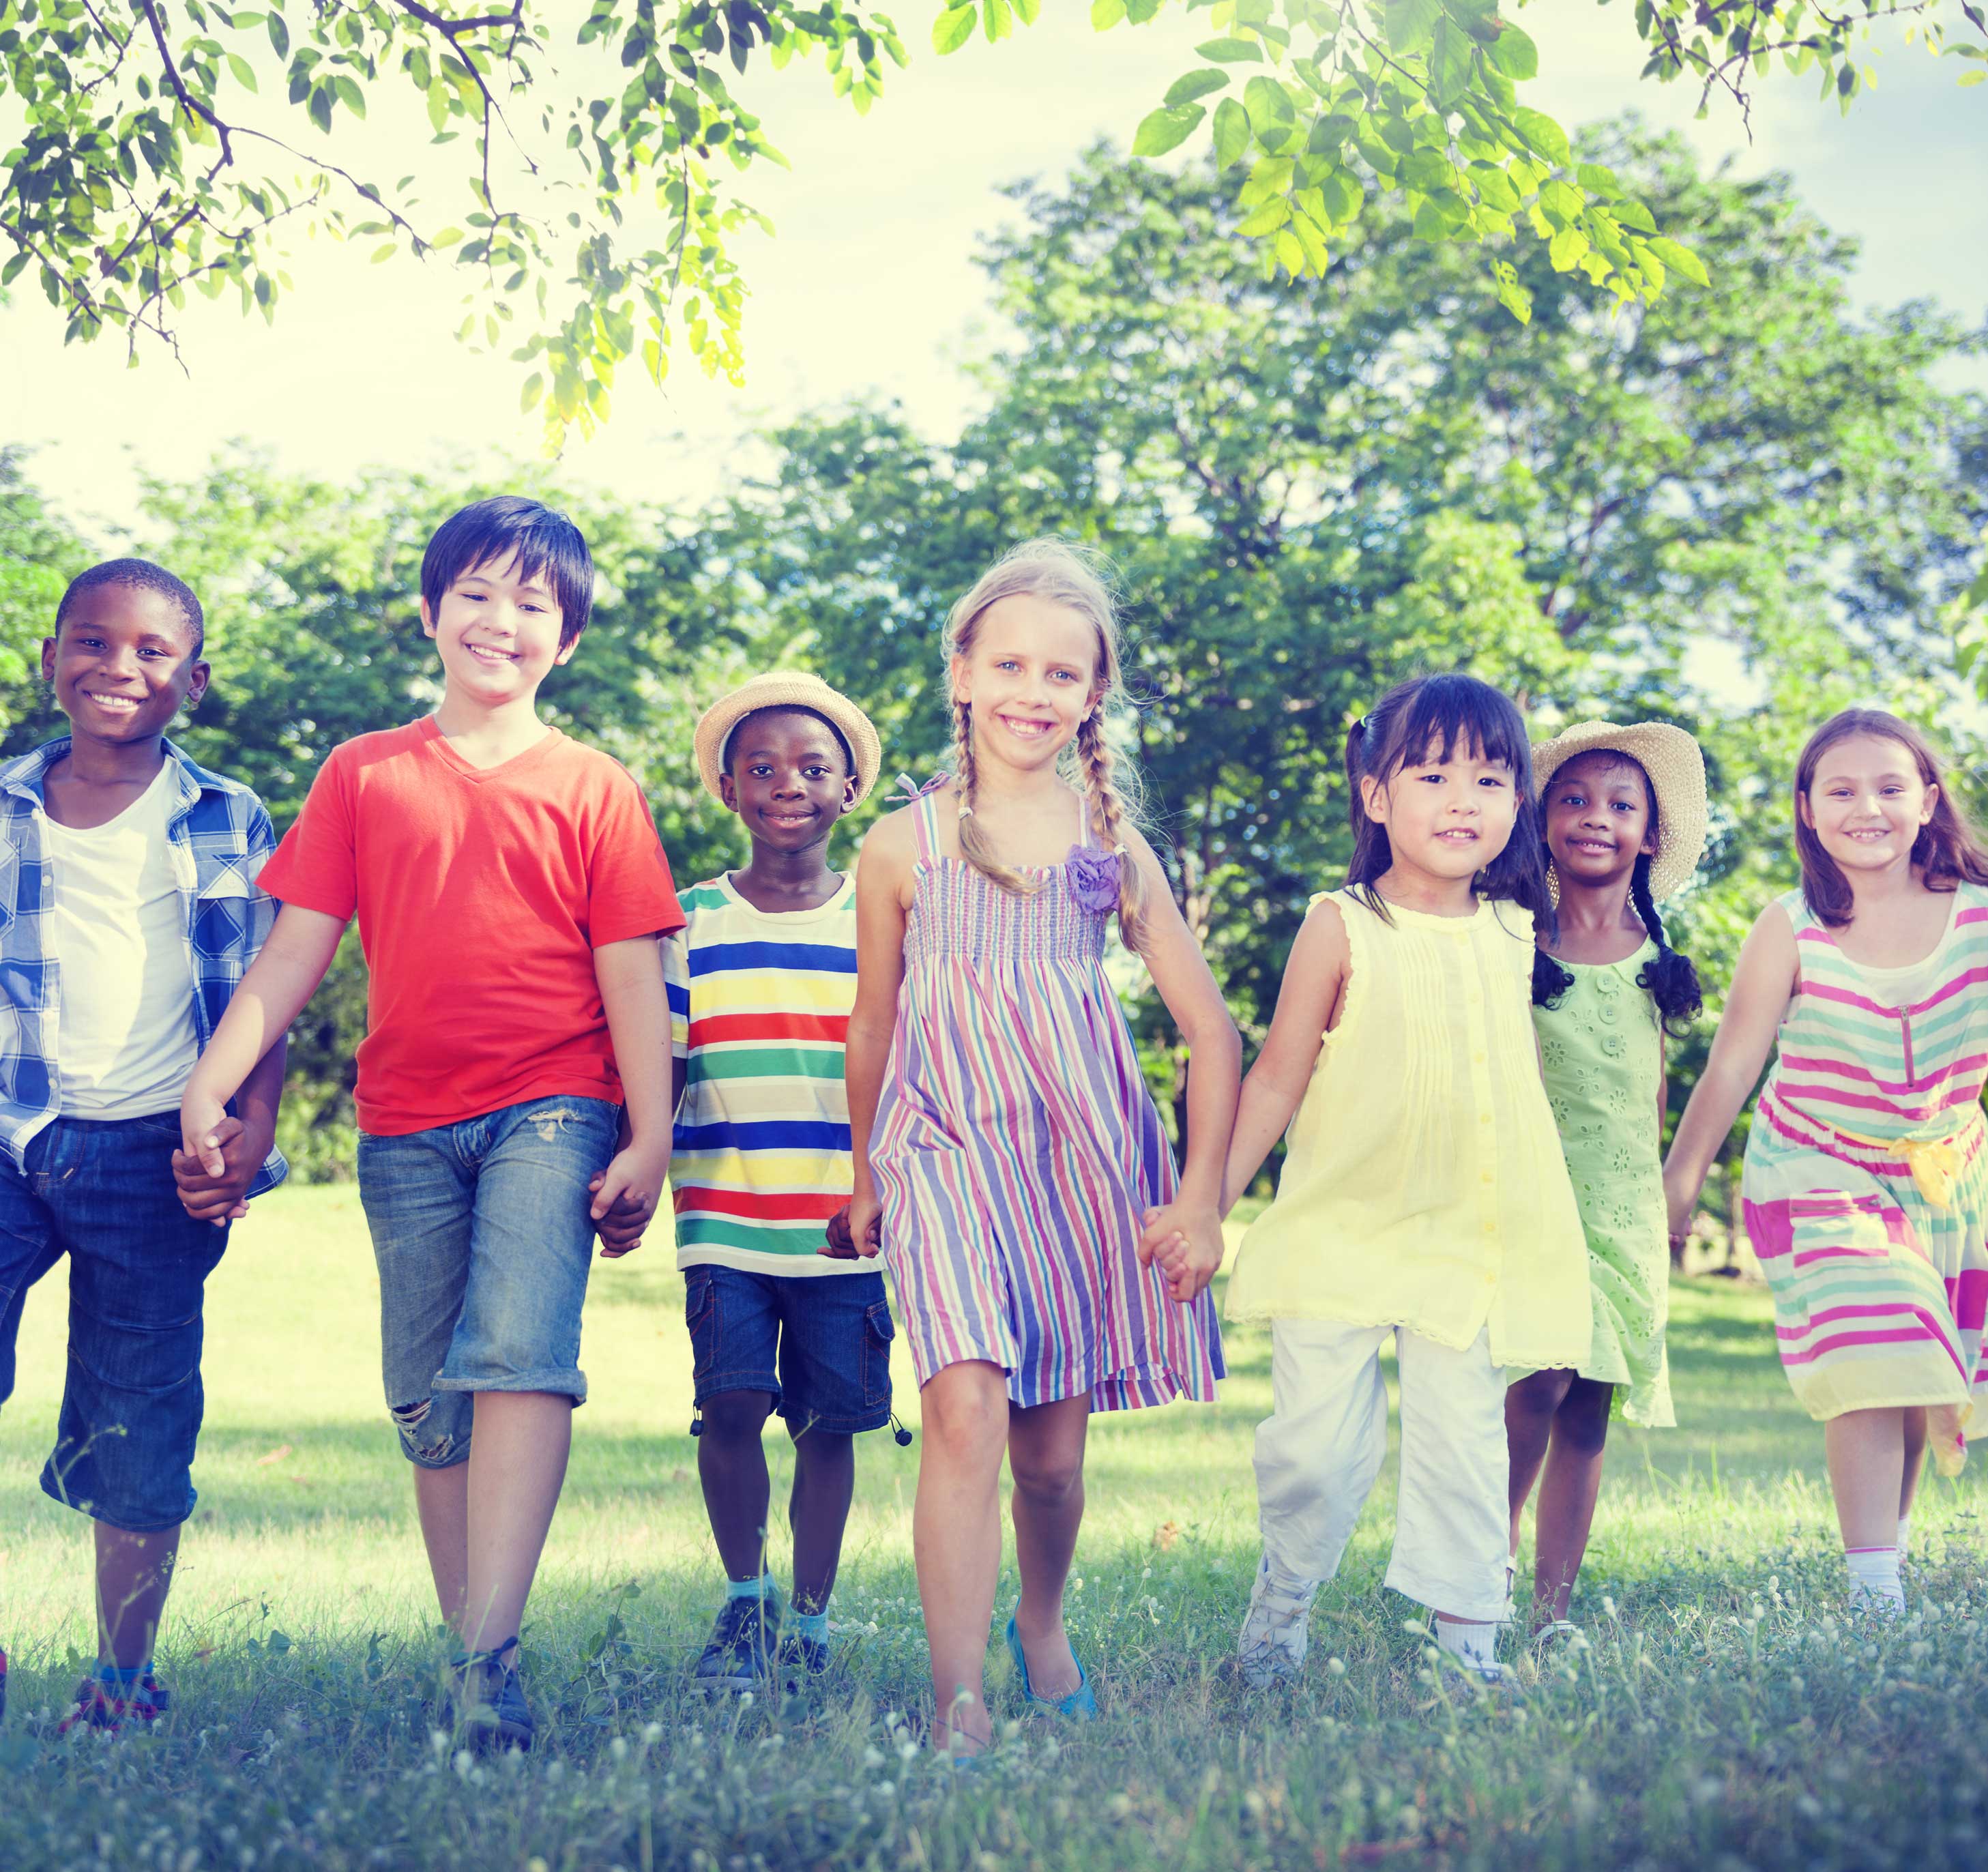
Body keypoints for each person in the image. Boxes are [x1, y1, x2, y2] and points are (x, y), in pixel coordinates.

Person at [180, 497, 683, 1747]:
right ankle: (472, 1655)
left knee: (517, 1355)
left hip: (555, 1107)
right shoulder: (364, 772)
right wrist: (217, 1073)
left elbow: (632, 973)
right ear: (429, 611)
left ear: (563, 640)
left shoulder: (596, 787)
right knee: (427, 1395)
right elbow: (296, 950)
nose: (499, 620)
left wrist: (650, 1133)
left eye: (531, 604)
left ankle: (488, 1667)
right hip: (404, 1122)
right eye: (476, 593)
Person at [830, 540, 1238, 1757]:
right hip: (941, 1147)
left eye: (1062, 673)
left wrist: (1203, 1199)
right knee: (961, 1408)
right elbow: (872, 1018)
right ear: (959, 671)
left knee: (1050, 1465)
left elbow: (1210, 1034)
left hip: (1080, 1160)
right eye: (1006, 662)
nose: (1031, 689)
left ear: (1091, 697)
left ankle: (1042, 1622)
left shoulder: (1109, 850)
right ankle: (957, 1704)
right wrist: (864, 1169)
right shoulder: (899, 847)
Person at [1222, 672, 1590, 1689]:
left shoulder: (1519, 933)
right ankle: (1277, 1616)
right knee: (1312, 1457)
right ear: (1374, 795)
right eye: (1429, 775)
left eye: (1487, 776)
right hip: (1341, 1231)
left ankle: (1465, 1654)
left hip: (1464, 1244)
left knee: (1464, 1451)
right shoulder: (1341, 923)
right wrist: (1202, 1208)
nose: (1459, 799)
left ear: (1517, 801)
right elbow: (1276, 1076)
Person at [0, 559, 287, 1733]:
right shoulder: (8, 804)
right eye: (94, 643)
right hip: (12, 1137)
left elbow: (266, 983)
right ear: (55, 657)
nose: (120, 668)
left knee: (139, 1415)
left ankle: (122, 1681)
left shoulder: (228, 816)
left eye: (152, 651)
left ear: (195, 681)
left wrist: (249, 1125)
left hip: (155, 1159)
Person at [1665, 708, 1988, 1615]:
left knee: (1922, 1371)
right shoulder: (1791, 926)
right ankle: (1872, 1597)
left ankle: (1888, 1558)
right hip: (1818, 1169)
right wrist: (1679, 1182)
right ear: (1806, 810)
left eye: (1889, 787)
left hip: (1944, 1175)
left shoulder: (1976, 917)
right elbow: (1733, 1062)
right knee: (1875, 1346)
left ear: (1927, 800)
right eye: (1840, 791)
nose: (1867, 808)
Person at [664, 672, 895, 1693]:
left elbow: (909, 1067)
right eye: (761, 767)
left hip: (845, 1219)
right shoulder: (685, 922)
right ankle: (744, 1599)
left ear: (849, 789)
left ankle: (811, 1618)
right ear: (727, 788)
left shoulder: (882, 922)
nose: (786, 783)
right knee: (732, 1402)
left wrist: (883, 1185)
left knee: (828, 1421)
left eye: (811, 766)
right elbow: (661, 1060)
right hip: (722, 1209)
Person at [1506, 721, 1707, 1643]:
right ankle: (1478, 1570)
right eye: (1574, 800)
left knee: (1588, 1404)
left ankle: (1551, 1607)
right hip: (1533, 1202)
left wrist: (1673, 1191)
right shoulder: (1513, 941)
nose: (1596, 818)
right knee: (1536, 1382)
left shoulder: (1651, 962)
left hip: (1621, 1207)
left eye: (1620, 805)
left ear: (1650, 835)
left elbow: (1651, 1091)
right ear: (1542, 821)